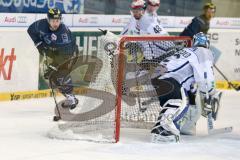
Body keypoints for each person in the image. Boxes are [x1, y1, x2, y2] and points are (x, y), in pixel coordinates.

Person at [150, 32, 221, 142]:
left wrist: (200, 96)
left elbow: (190, 82)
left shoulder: (187, 51)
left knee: (184, 99)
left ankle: (180, 127)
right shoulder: (203, 51)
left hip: (159, 77)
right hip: (168, 78)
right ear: (207, 44)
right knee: (179, 102)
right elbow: (205, 76)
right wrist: (209, 93)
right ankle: (162, 130)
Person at [27, 8, 79, 110]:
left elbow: (66, 56)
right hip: (56, 52)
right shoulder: (41, 25)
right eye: (53, 21)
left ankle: (71, 98)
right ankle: (70, 97)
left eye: (57, 20)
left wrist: (54, 66)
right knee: (52, 77)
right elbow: (31, 30)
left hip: (70, 55)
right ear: (48, 20)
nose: (55, 23)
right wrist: (39, 44)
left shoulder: (64, 34)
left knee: (60, 74)